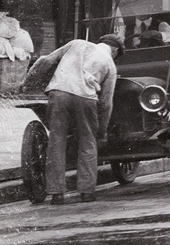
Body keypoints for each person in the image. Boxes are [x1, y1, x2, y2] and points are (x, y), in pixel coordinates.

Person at [21, 34, 124, 205]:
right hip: (86, 99)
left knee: (56, 142)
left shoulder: (76, 44)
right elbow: (106, 103)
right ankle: (87, 192)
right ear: (115, 49)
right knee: (88, 143)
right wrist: (101, 131)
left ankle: (56, 193)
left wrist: (27, 82)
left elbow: (45, 61)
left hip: (59, 93)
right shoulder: (110, 64)